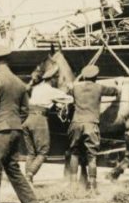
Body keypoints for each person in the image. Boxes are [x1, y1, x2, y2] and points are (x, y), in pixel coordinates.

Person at [0, 45, 43, 203]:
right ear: (7, 60)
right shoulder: (18, 82)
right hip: (15, 129)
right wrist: (14, 123)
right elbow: (24, 111)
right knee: (13, 170)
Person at [67, 65, 119, 193]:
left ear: (84, 77)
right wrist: (119, 83)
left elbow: (68, 91)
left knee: (74, 153)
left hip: (76, 123)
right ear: (96, 77)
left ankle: (73, 185)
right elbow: (115, 91)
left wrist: (72, 86)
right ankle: (92, 186)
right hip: (91, 124)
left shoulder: (76, 88)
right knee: (91, 157)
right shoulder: (99, 88)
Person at [22, 66, 72, 185]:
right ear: (52, 79)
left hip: (28, 119)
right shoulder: (51, 90)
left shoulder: (36, 88)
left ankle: (28, 181)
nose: (57, 81)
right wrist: (70, 89)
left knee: (31, 153)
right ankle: (29, 175)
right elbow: (69, 99)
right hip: (39, 119)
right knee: (43, 151)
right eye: (57, 78)